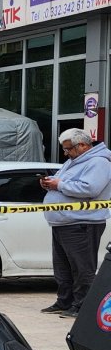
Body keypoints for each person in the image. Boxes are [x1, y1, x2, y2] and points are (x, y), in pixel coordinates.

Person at [40, 128, 111, 318]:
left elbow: (90, 188)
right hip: (64, 222)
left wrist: (58, 185)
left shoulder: (99, 162)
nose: (66, 153)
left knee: (82, 267)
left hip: (82, 223)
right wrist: (50, 183)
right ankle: (65, 301)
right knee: (63, 267)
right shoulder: (74, 162)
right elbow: (63, 182)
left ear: (82, 145)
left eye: (68, 149)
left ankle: (82, 306)